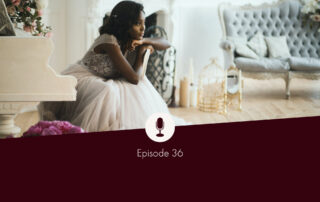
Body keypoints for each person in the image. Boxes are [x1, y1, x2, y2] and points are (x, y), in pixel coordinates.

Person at [40, 1, 187, 132]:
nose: (143, 28)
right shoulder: (109, 40)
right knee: (107, 91)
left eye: (144, 23)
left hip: (114, 77)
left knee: (133, 92)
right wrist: (142, 53)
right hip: (89, 76)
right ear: (125, 23)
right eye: (137, 23)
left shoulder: (134, 39)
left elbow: (166, 43)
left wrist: (143, 42)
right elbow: (135, 78)